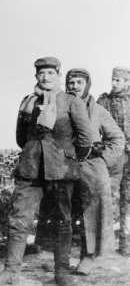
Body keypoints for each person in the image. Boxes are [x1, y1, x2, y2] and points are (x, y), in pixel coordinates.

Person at [0, 57, 93, 286]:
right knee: (18, 220)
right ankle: (10, 271)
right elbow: (21, 137)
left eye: (50, 74)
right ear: (36, 77)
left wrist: (68, 159)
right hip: (30, 169)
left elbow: (85, 139)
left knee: (61, 221)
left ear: (58, 75)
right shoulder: (29, 102)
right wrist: (34, 154)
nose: (46, 78)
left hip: (61, 171)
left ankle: (61, 272)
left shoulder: (71, 101)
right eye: (41, 74)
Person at [36, 68, 125, 275]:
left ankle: (88, 256)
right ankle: (61, 258)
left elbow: (118, 139)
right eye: (71, 83)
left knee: (90, 214)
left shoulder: (99, 110)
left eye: (79, 83)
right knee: (63, 212)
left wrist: (102, 159)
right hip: (64, 167)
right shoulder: (57, 105)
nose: (74, 87)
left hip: (91, 167)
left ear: (87, 85)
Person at [97, 67, 130, 256]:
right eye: (113, 80)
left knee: (128, 198)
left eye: (119, 80)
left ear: (128, 82)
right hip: (113, 157)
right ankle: (104, 245)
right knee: (108, 195)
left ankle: (126, 245)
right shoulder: (104, 101)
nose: (114, 83)